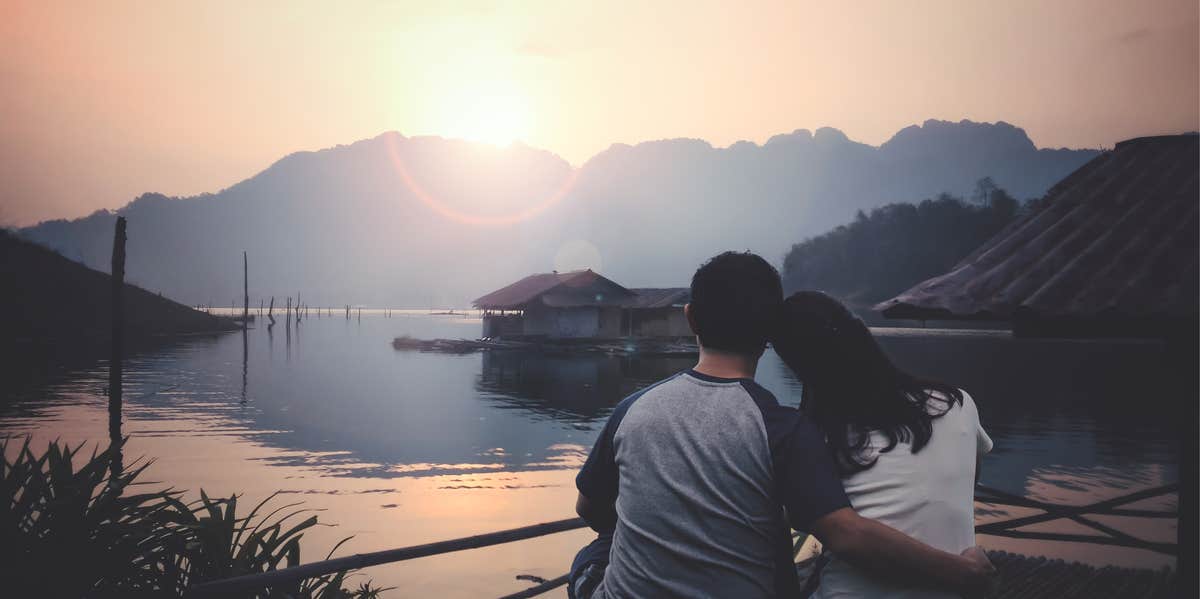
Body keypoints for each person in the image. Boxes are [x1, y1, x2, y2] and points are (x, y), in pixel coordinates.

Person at [569, 252, 996, 599]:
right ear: (768, 334)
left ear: (690, 319)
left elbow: (589, 509)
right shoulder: (785, 427)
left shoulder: (633, 408)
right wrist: (960, 570)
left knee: (599, 550)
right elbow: (843, 528)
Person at [772, 290, 994, 599]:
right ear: (861, 332)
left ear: (800, 367)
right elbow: (969, 474)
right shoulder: (957, 403)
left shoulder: (815, 436)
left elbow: (833, 531)